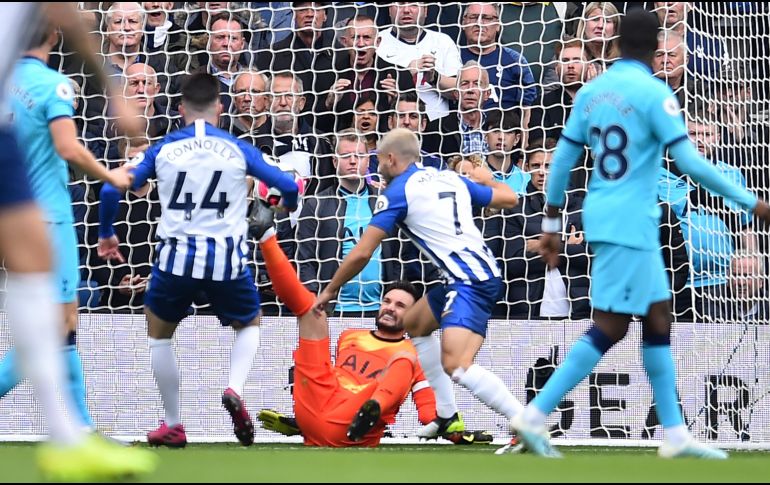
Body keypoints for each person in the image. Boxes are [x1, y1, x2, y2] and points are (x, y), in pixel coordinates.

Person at [510, 10, 770, 459]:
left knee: (656, 320)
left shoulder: (590, 93)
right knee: (611, 327)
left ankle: (673, 433)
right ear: (653, 46)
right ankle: (535, 414)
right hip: (633, 222)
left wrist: (551, 225)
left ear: (614, 42)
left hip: (606, 217)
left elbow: (560, 165)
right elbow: (689, 164)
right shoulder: (655, 92)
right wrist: (752, 202)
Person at [97, 73, 299, 448]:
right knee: (250, 322)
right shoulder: (238, 148)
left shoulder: (163, 149)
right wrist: (285, 203)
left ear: (180, 109)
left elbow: (112, 186)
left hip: (175, 260)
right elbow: (288, 184)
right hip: (226, 259)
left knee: (159, 335)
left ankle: (173, 423)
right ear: (220, 107)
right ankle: (234, 388)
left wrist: (107, 233)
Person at [0, 3, 156, 481]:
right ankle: (80, 432)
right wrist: (114, 173)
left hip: (14, 208)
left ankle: (79, 430)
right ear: (52, 29)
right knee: (59, 324)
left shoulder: (9, 82)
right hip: (45, 218)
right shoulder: (54, 85)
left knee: (58, 325)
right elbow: (67, 148)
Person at [314, 128, 525, 443]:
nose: (376, 167)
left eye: (377, 161)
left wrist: (329, 290)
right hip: (468, 275)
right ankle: (446, 415)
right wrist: (488, 179)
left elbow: (361, 252)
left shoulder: (398, 192)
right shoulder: (448, 178)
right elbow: (511, 197)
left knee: (456, 365)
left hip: (469, 281)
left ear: (390, 158)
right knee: (415, 323)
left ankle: (524, 421)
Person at [249, 204, 492, 446]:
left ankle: (372, 408)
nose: (390, 307)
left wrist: (456, 434)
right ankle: (266, 237)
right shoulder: (349, 336)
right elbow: (330, 377)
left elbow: (427, 408)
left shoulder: (417, 355)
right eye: (387, 301)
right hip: (318, 410)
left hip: (353, 426)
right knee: (313, 311)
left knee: (405, 358)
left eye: (400, 306)